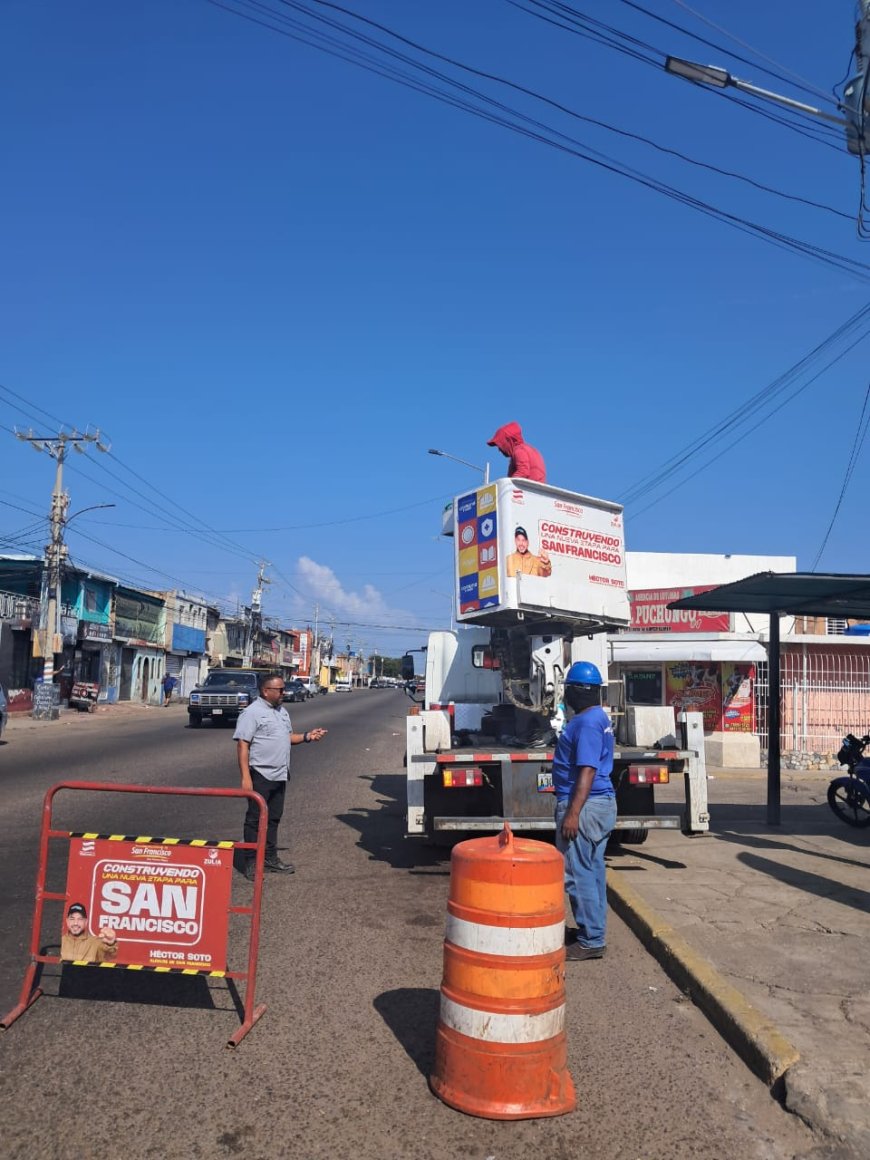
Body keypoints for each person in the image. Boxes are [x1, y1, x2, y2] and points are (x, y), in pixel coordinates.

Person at [552, 661, 617, 961]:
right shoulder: (597, 717)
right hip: (599, 804)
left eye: (567, 687)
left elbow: (587, 771)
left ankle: (592, 940)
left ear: (577, 690)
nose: (565, 693)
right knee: (593, 871)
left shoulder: (587, 723)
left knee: (578, 875)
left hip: (586, 806)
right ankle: (593, 932)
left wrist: (573, 813)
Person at [234, 672, 327, 880]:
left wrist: (307, 737)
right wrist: (245, 778)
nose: (284, 693)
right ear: (266, 691)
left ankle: (269, 858)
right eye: (280, 690)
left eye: (284, 689)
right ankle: (250, 861)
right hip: (260, 773)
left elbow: (286, 738)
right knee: (255, 819)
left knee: (273, 818)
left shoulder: (282, 712)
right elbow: (242, 745)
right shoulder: (252, 713)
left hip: (280, 773)